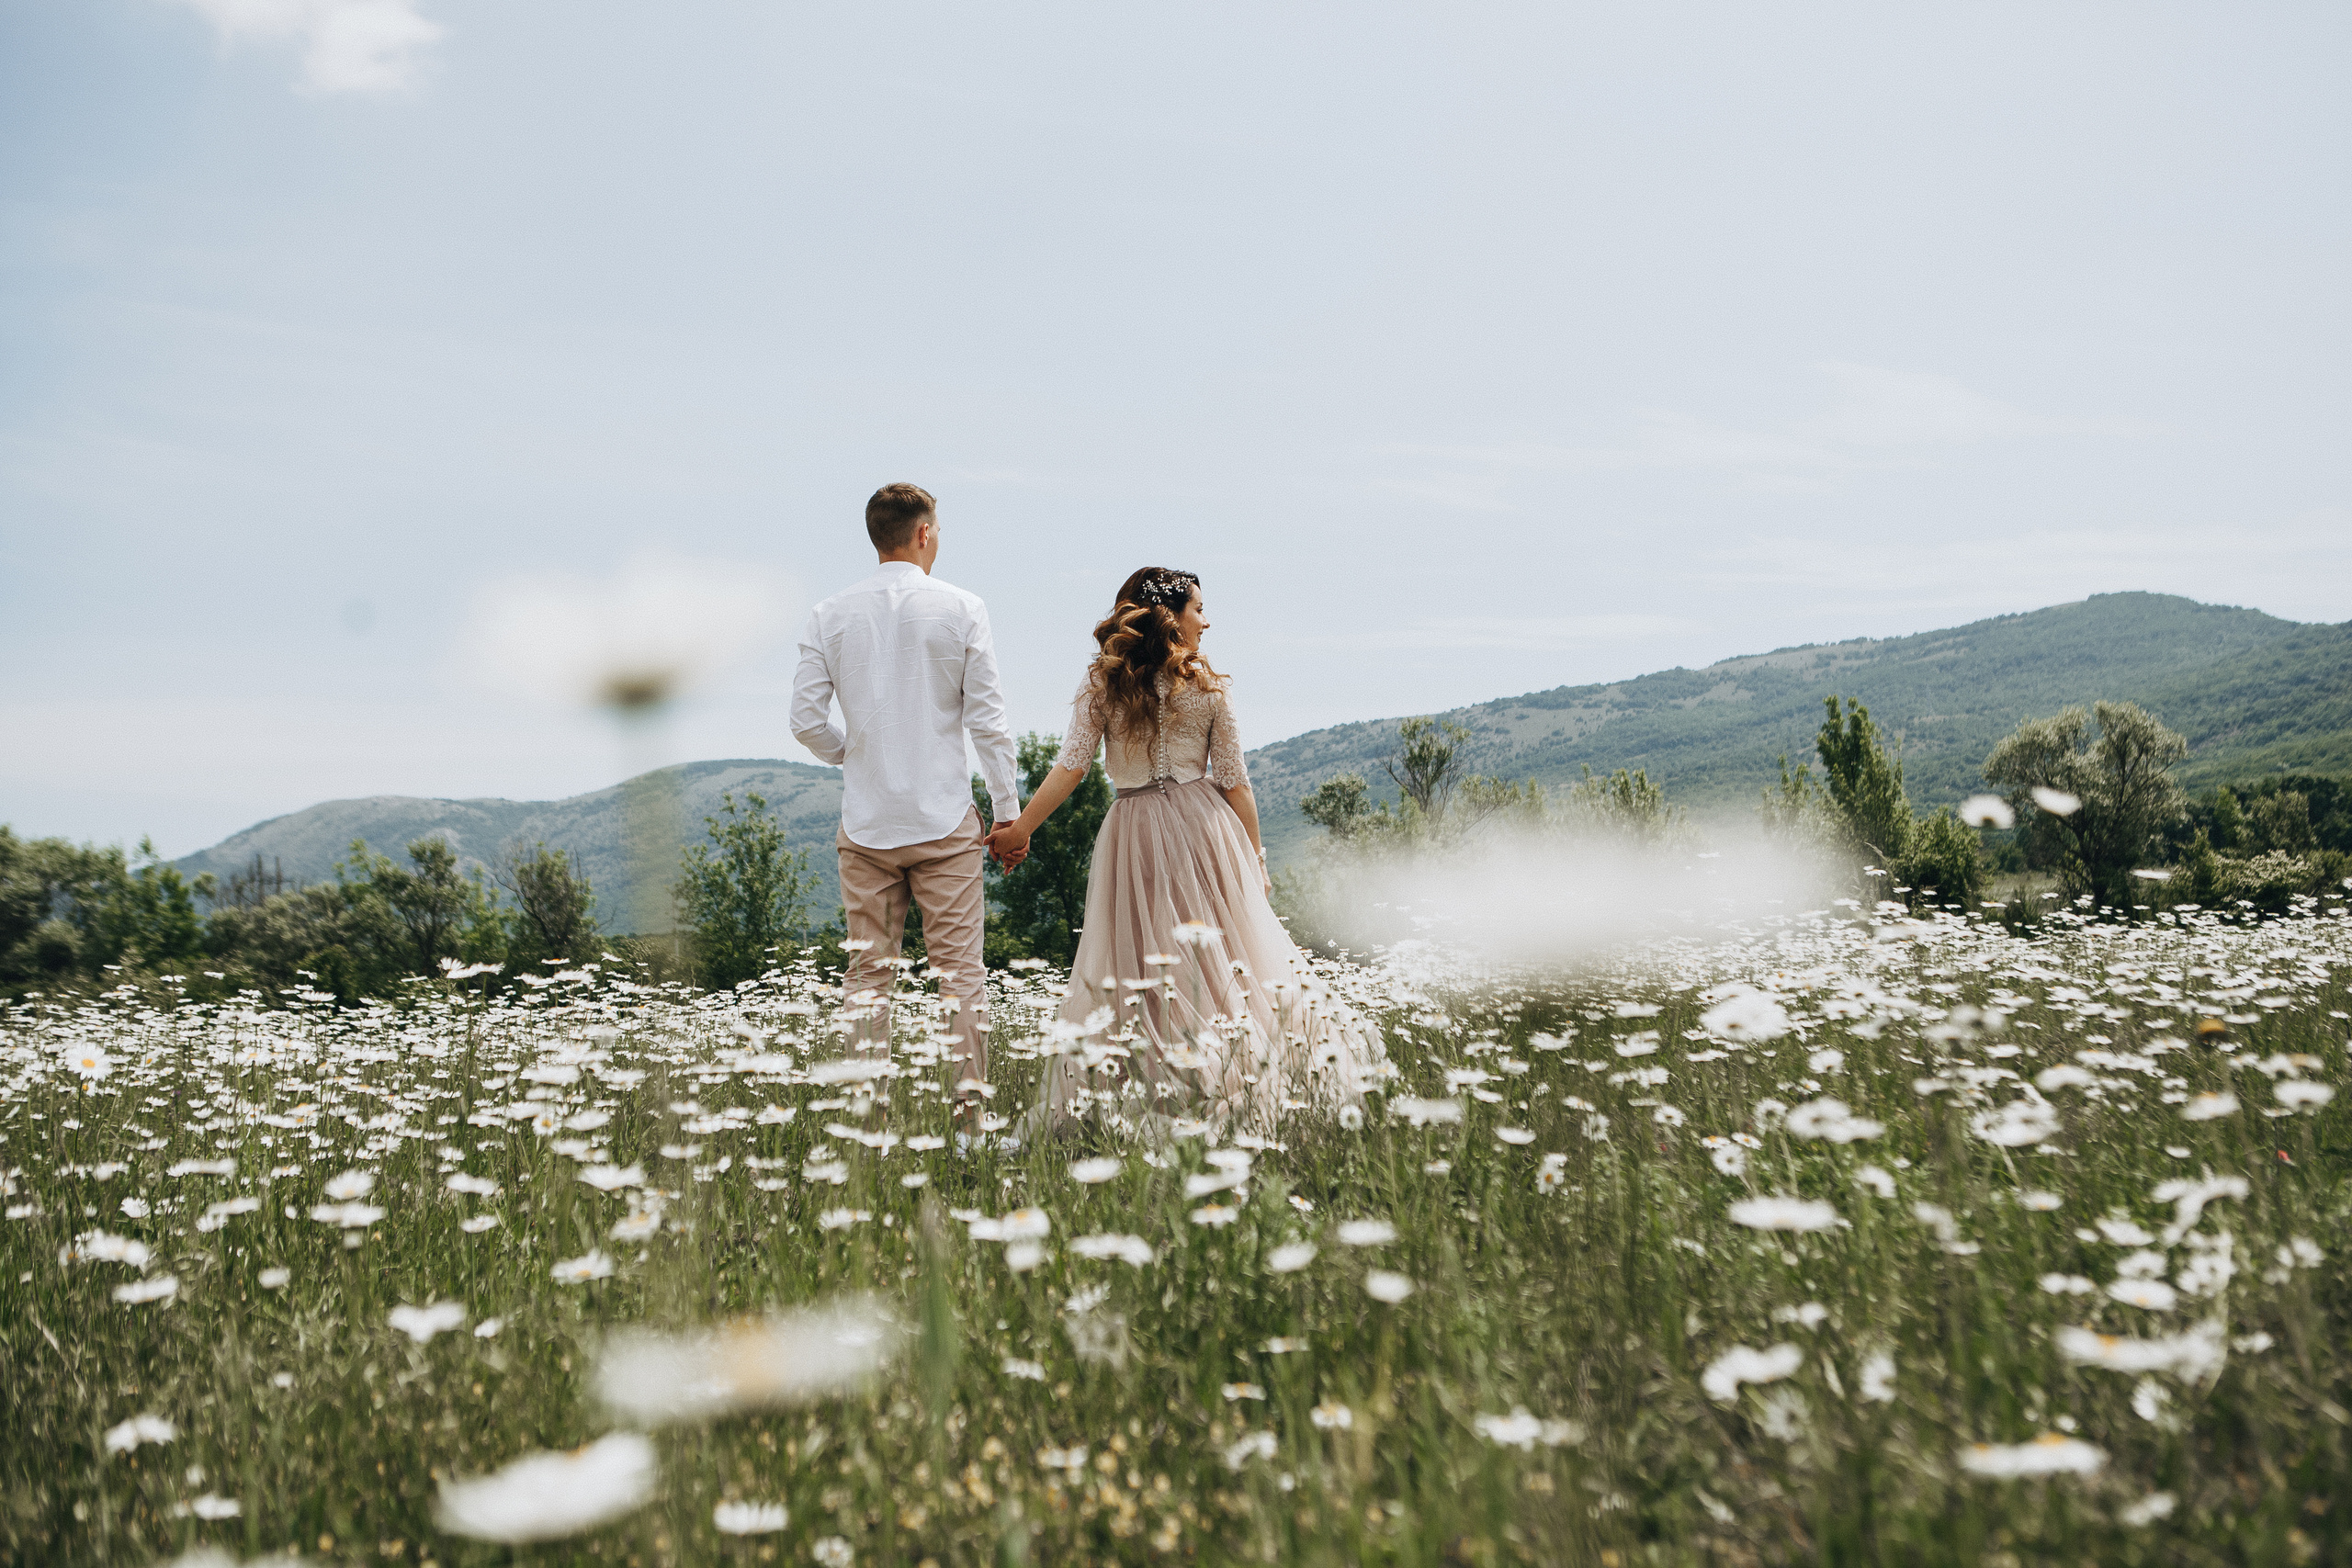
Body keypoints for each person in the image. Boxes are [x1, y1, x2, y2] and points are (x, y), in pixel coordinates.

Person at [986, 569, 1385, 1135]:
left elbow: (1071, 767)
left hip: (1135, 832)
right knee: (1221, 958)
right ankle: (1235, 1079)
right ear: (1173, 614)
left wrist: (1019, 830)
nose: (1206, 619)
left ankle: (1156, 1094)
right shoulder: (1208, 686)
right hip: (1206, 831)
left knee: (1145, 966)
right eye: (1199, 607)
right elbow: (1235, 783)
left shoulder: (1104, 682)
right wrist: (1256, 857)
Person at [791, 483, 1021, 1120]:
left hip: (865, 823)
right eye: (938, 528)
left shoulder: (828, 614)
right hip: (944, 821)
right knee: (960, 976)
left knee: (867, 978)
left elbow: (805, 720)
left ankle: (868, 1125)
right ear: (923, 532)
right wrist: (1009, 814)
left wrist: (852, 751)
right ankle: (969, 1120)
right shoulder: (964, 607)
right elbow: (989, 723)